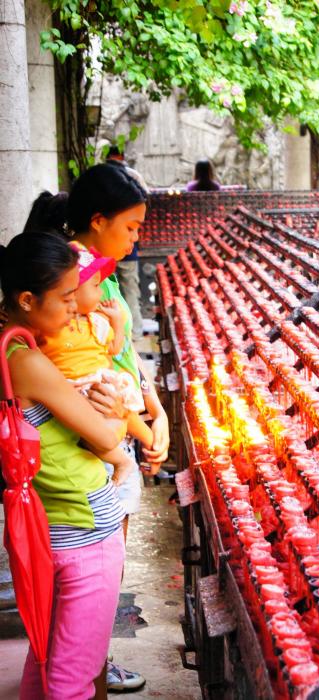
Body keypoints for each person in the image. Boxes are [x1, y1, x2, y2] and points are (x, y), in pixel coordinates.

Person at [0, 232, 127, 699]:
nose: (77, 308)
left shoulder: (5, 349)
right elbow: (105, 435)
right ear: (28, 299)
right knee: (71, 684)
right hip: (86, 533)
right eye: (67, 297)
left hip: (43, 532)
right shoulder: (28, 362)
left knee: (45, 666)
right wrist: (114, 414)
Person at [66, 164, 169, 692]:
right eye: (130, 227)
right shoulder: (72, 284)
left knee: (111, 566)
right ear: (98, 219)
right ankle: (88, 669)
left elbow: (123, 356)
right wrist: (146, 433)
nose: (137, 237)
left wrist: (157, 409)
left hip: (122, 420)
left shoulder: (100, 277)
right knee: (95, 572)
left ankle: (95, 660)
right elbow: (86, 373)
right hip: (93, 438)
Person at [39, 243, 156, 486]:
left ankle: (144, 444)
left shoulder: (97, 323)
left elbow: (115, 349)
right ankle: (122, 459)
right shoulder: (49, 329)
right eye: (94, 287)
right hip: (74, 389)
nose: (100, 294)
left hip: (100, 383)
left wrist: (116, 322)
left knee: (115, 420)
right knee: (97, 436)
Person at [106, 146, 146, 341]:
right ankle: (134, 332)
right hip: (125, 250)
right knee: (130, 288)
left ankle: (118, 332)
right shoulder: (133, 176)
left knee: (108, 291)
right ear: (122, 157)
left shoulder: (101, 177)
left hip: (106, 247)